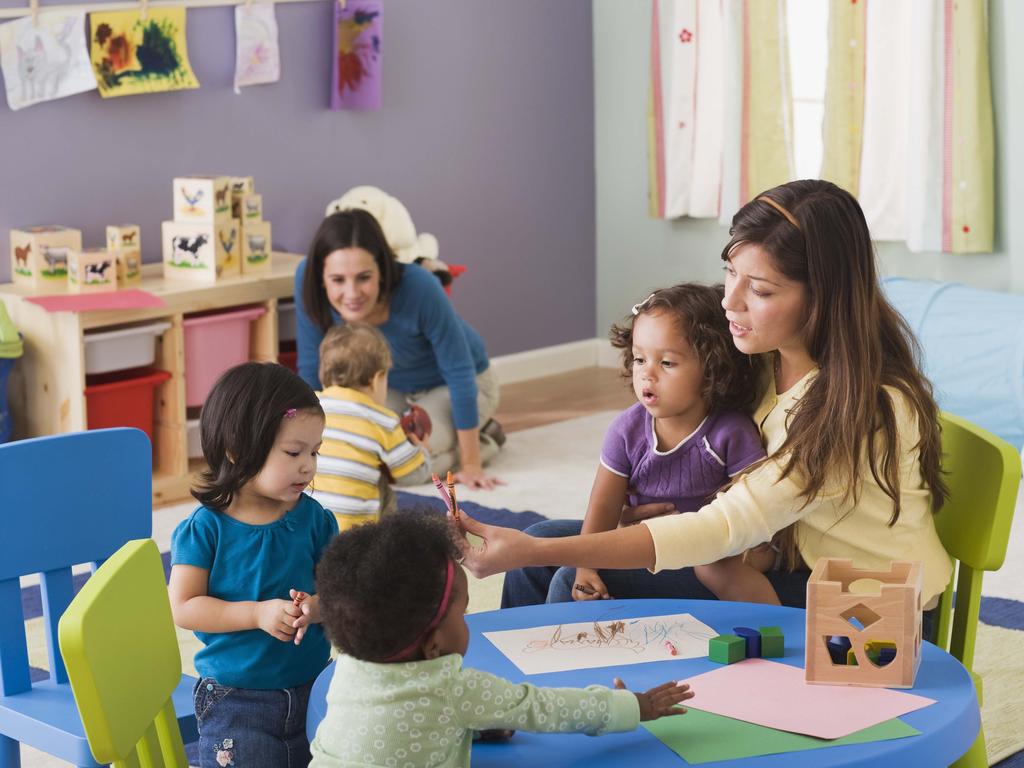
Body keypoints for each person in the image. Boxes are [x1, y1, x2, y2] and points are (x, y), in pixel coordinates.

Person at [458, 180, 954, 620]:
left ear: (822, 297)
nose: (729, 301)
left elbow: (723, 528)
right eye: (730, 273)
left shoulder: (861, 409)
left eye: (757, 289)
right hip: (780, 558)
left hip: (862, 608)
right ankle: (508, 708)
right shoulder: (761, 362)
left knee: (569, 577)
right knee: (543, 553)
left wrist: (531, 549)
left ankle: (577, 715)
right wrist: (582, 537)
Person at [308, 513, 694, 768]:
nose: (467, 621)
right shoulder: (454, 690)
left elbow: (399, 721)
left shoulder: (347, 667)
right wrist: (631, 706)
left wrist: (475, 726)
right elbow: (546, 707)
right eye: (462, 615)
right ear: (434, 647)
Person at [521, 282, 781, 608]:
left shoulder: (730, 433)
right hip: (641, 541)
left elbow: (760, 511)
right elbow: (603, 510)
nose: (647, 375)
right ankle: (504, 649)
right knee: (535, 541)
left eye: (667, 363)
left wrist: (751, 554)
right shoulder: (626, 431)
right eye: (640, 359)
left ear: (713, 369)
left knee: (564, 580)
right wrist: (585, 566)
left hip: (704, 555)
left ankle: (778, 631)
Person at [168, 362, 339, 768]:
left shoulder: (315, 520)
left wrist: (316, 607)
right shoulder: (205, 528)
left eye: (314, 452)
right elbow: (184, 606)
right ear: (238, 451)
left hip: (317, 687)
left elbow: (342, 588)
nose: (308, 465)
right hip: (237, 700)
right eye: (294, 452)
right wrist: (257, 613)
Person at [295, 208, 504, 489]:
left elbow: (460, 372)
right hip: (385, 388)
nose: (352, 293)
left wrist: (470, 465)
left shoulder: (419, 286)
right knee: (359, 452)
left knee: (403, 461)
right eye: (338, 280)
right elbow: (310, 369)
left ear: (382, 269)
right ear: (321, 276)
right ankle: (467, 434)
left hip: (460, 385)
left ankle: (484, 441)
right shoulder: (305, 280)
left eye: (364, 277)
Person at [312, 322, 432, 531]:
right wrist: (422, 451)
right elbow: (413, 476)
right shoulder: (383, 420)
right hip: (356, 538)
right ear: (377, 380)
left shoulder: (309, 407)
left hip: (308, 531)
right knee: (383, 487)